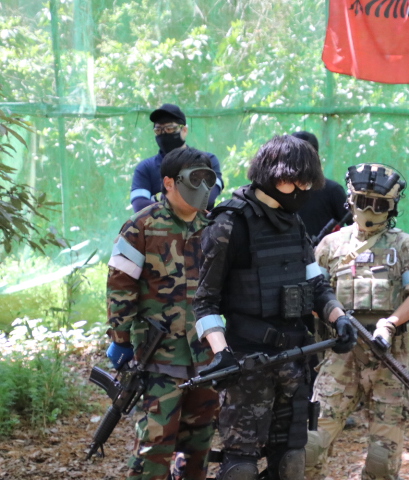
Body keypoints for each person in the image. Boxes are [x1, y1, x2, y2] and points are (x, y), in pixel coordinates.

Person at [192, 135, 357, 480]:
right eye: (296, 181)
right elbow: (204, 302)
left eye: (308, 182)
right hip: (247, 363)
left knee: (291, 463)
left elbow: (316, 285)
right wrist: (221, 354)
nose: (303, 190)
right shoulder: (228, 225)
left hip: (295, 360)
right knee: (241, 468)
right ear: (272, 176)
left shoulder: (294, 222)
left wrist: (338, 318)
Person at [304, 163, 409, 480]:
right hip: (339, 356)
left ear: (392, 208)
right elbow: (311, 296)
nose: (370, 210)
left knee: (381, 461)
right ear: (351, 201)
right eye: (364, 201)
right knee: (309, 447)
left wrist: (389, 324)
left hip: (387, 357)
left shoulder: (405, 245)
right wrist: (333, 317)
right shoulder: (330, 245)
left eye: (380, 204)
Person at [106, 147, 220, 480]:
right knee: (154, 447)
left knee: (199, 445)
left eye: (207, 180)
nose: (202, 188)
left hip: (205, 357)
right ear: (169, 182)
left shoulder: (214, 226)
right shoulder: (141, 226)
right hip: (158, 357)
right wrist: (121, 338)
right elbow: (120, 285)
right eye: (194, 180)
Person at [130, 103, 224, 212]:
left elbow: (207, 198)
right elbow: (140, 206)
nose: (164, 134)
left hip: (201, 224)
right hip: (159, 224)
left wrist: (160, 200)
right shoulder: (146, 167)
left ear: (184, 130)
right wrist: (188, 200)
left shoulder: (207, 160)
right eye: (158, 130)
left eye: (170, 129)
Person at [291, 131, 351, 240]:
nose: (299, 160)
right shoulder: (281, 192)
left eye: (305, 155)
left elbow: (356, 229)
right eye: (294, 154)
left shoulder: (332, 190)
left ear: (316, 157)